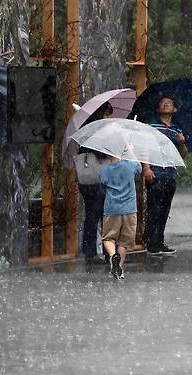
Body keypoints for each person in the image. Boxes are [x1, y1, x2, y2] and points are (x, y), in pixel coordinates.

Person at [143, 95, 188, 256]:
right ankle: (151, 243)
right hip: (155, 173)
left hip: (170, 174)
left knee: (165, 209)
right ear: (158, 109)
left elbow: (182, 155)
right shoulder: (152, 126)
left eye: (169, 103)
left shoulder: (177, 130)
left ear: (174, 109)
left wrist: (182, 142)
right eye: (163, 103)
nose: (166, 104)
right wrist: (146, 168)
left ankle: (159, 242)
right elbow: (145, 148)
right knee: (154, 208)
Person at [77, 102, 113, 265]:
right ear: (101, 113)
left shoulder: (85, 129)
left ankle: (91, 251)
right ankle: (102, 252)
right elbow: (100, 153)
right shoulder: (97, 130)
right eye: (107, 114)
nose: (108, 118)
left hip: (86, 180)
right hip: (97, 180)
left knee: (93, 215)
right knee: (100, 215)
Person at [100, 153, 142, 279]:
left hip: (112, 209)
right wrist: (132, 152)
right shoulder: (130, 165)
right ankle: (120, 269)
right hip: (130, 209)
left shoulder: (105, 170)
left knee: (108, 238)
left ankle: (113, 256)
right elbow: (140, 169)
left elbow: (102, 188)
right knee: (124, 241)